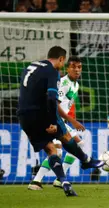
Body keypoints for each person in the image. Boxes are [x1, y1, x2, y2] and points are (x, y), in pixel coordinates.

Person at [18, 46, 104, 196]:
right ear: (61, 59)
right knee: (66, 141)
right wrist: (54, 121)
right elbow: (53, 99)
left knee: (52, 150)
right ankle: (85, 160)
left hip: (24, 116)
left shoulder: (31, 66)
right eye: (68, 65)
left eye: (79, 67)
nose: (75, 69)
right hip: (44, 114)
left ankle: (62, 180)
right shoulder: (55, 74)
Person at [28, 56, 87, 190]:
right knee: (58, 151)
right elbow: (55, 104)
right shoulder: (64, 83)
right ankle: (36, 181)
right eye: (74, 67)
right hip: (53, 119)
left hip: (62, 120)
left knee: (79, 144)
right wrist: (73, 122)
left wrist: (70, 120)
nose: (77, 70)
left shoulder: (75, 85)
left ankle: (57, 179)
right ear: (68, 68)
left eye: (79, 67)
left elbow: (68, 105)